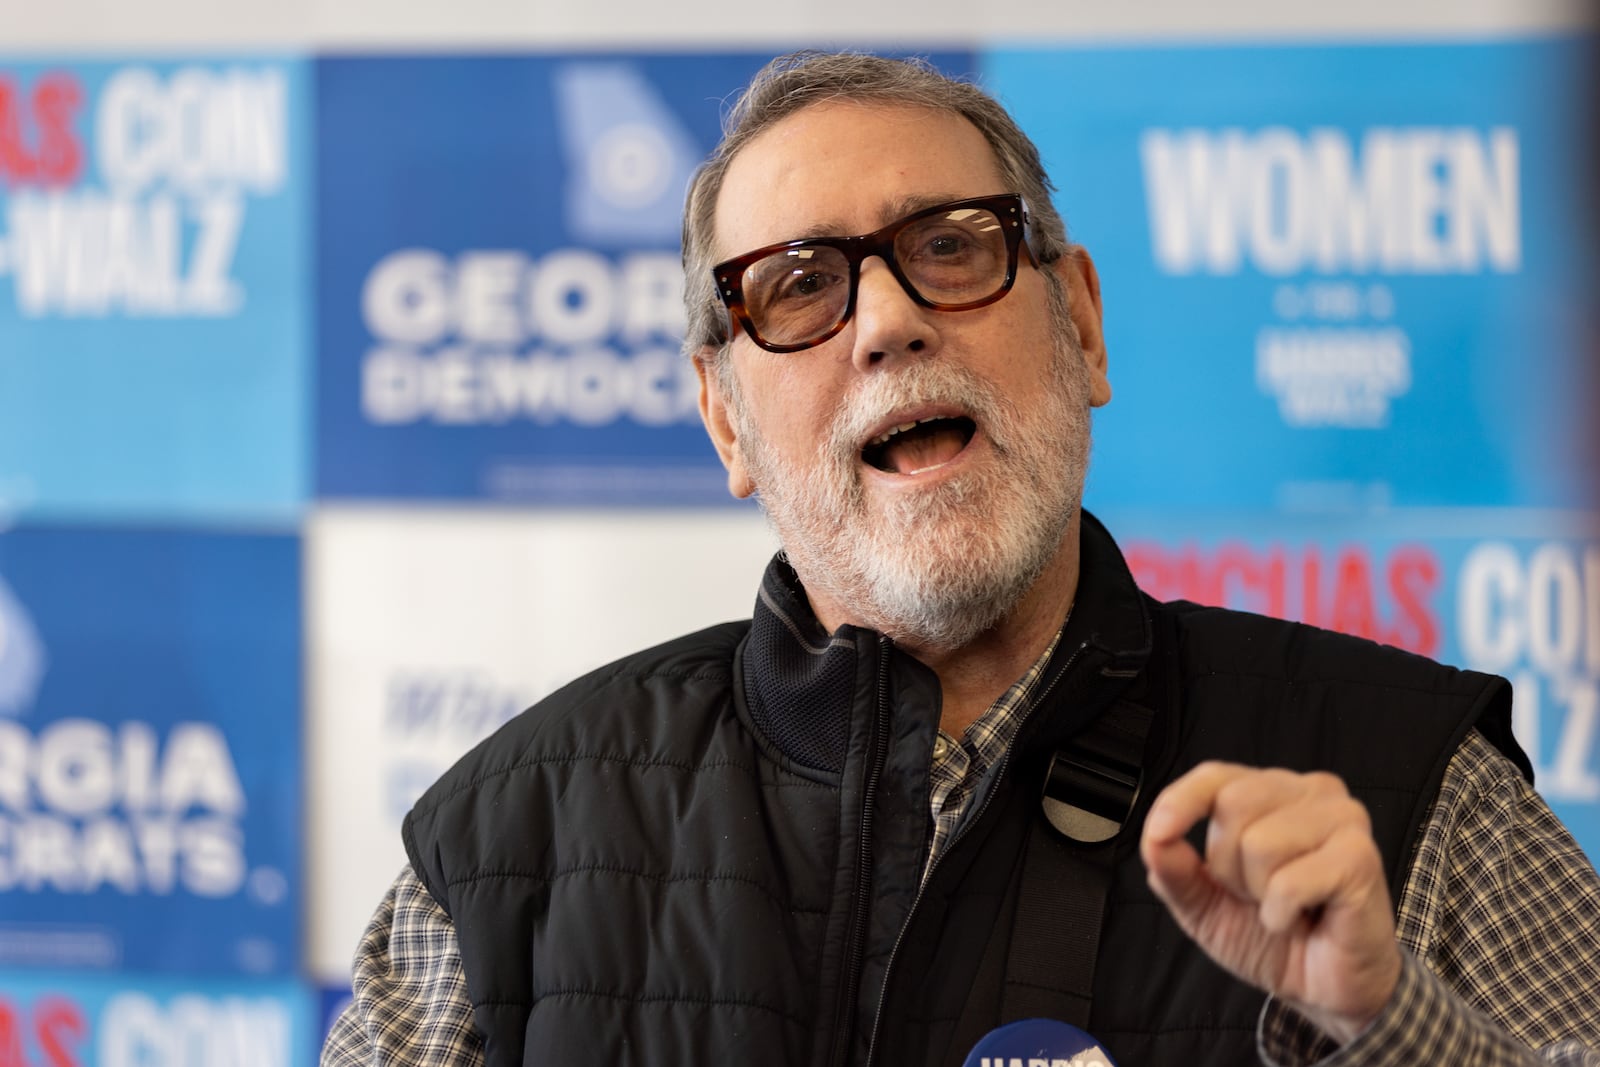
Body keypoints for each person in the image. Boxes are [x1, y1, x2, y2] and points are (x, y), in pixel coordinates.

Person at [322, 51, 1600, 1067]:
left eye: (949, 246)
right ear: (726, 419)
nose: (886, 321)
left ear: (1083, 326)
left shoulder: (1412, 792)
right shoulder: (504, 849)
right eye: (798, 285)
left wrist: (1389, 1030)